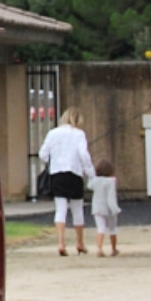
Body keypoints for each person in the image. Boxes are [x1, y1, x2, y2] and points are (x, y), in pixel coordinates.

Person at [38, 109, 94, 256]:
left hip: (57, 173)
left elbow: (43, 154)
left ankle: (61, 243)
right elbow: (84, 154)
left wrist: (53, 160)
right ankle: (80, 243)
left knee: (60, 209)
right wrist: (90, 173)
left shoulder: (53, 133)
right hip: (74, 173)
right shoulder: (79, 134)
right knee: (77, 209)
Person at [88, 159, 121, 257]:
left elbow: (89, 185)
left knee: (100, 228)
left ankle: (99, 248)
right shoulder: (111, 182)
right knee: (112, 229)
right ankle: (113, 249)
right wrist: (115, 209)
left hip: (97, 208)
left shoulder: (94, 181)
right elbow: (111, 197)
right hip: (109, 209)